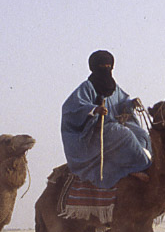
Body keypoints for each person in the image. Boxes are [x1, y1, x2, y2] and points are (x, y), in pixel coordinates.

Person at [61, 50, 151, 189]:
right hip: (91, 135)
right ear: (93, 68)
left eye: (108, 66)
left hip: (112, 127)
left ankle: (149, 163)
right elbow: (71, 110)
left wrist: (131, 104)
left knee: (141, 134)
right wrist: (94, 110)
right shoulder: (87, 87)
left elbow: (122, 103)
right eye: (102, 67)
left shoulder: (113, 87)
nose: (106, 70)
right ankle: (139, 167)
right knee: (124, 134)